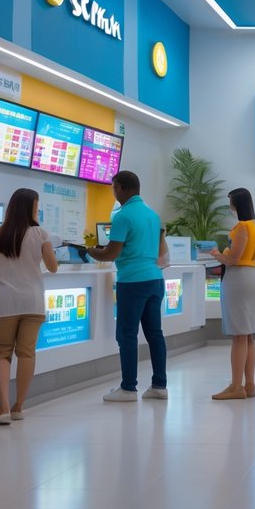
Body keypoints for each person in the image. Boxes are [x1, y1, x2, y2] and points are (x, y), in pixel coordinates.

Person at [88, 171, 170, 402]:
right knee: (155, 334)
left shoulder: (122, 217)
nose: (114, 193)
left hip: (132, 281)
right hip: (155, 279)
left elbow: (112, 253)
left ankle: (128, 388)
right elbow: (157, 250)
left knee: (126, 334)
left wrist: (93, 251)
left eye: (114, 188)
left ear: (123, 188)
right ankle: (159, 385)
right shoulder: (153, 216)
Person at [0, 188, 58, 424]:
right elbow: (53, 267)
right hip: (33, 302)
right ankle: (18, 406)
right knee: (27, 353)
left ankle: (2, 407)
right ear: (32, 208)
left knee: (2, 352)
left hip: (7, 301)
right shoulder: (41, 234)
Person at [208, 187, 255, 399]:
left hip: (238, 280)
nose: (229, 206)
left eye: (230, 202)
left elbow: (233, 258)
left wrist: (217, 254)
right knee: (248, 335)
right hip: (252, 278)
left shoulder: (241, 227)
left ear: (236, 204)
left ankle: (235, 386)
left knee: (239, 335)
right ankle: (249, 385)